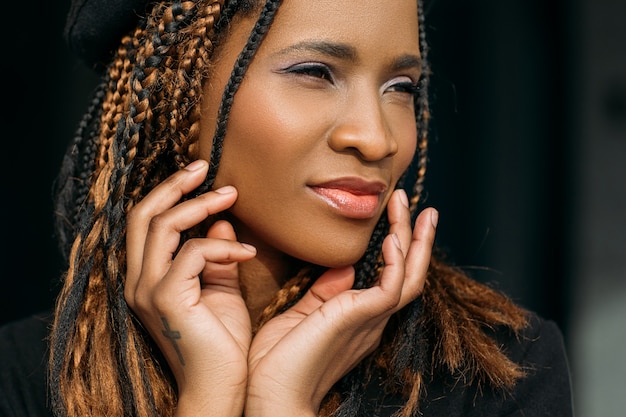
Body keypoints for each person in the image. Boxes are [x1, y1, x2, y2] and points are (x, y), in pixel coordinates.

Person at [0, 0, 574, 416]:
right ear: (183, 97)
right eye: (315, 73)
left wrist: (283, 402)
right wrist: (209, 397)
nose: (377, 139)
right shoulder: (25, 379)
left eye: (400, 85)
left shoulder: (500, 371)